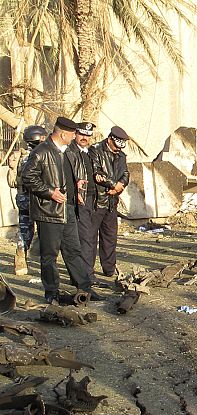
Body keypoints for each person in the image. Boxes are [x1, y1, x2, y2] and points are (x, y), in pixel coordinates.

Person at [19, 116, 102, 303]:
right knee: (49, 255)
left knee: (74, 250)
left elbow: (62, 176)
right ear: (63, 134)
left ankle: (85, 288)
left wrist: (75, 184)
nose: (74, 137)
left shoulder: (66, 152)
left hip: (68, 209)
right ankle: (52, 293)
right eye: (73, 134)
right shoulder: (41, 152)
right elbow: (28, 178)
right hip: (49, 212)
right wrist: (50, 193)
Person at [88, 126, 130, 278]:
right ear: (110, 139)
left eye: (121, 147)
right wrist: (114, 185)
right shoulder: (95, 150)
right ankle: (87, 271)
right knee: (90, 238)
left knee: (110, 237)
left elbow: (126, 173)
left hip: (112, 202)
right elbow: (97, 173)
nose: (118, 149)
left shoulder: (121, 155)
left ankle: (109, 269)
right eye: (116, 146)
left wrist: (120, 186)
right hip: (97, 200)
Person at [9, 125, 47, 275]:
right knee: (44, 229)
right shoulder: (37, 155)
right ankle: (43, 261)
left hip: (23, 198)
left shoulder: (22, 155)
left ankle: (21, 256)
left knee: (25, 228)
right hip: (37, 199)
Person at [65, 122, 99, 282]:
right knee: (84, 238)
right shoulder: (70, 152)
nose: (84, 138)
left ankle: (87, 273)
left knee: (90, 237)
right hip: (80, 200)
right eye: (81, 134)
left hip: (92, 198)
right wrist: (76, 192)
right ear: (75, 134)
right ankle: (85, 276)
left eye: (88, 135)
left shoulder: (89, 152)